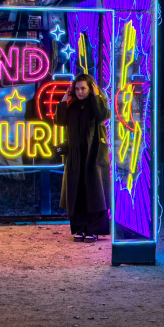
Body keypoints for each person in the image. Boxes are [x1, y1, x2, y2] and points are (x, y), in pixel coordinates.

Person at [55, 73, 111, 242]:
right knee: (77, 191)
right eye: (77, 88)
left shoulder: (96, 105)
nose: (80, 92)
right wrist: (64, 101)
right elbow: (59, 121)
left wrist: (96, 97)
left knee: (95, 192)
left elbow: (103, 115)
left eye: (83, 88)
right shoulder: (72, 106)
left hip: (93, 155)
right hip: (76, 155)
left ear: (90, 88)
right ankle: (80, 228)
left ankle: (93, 229)